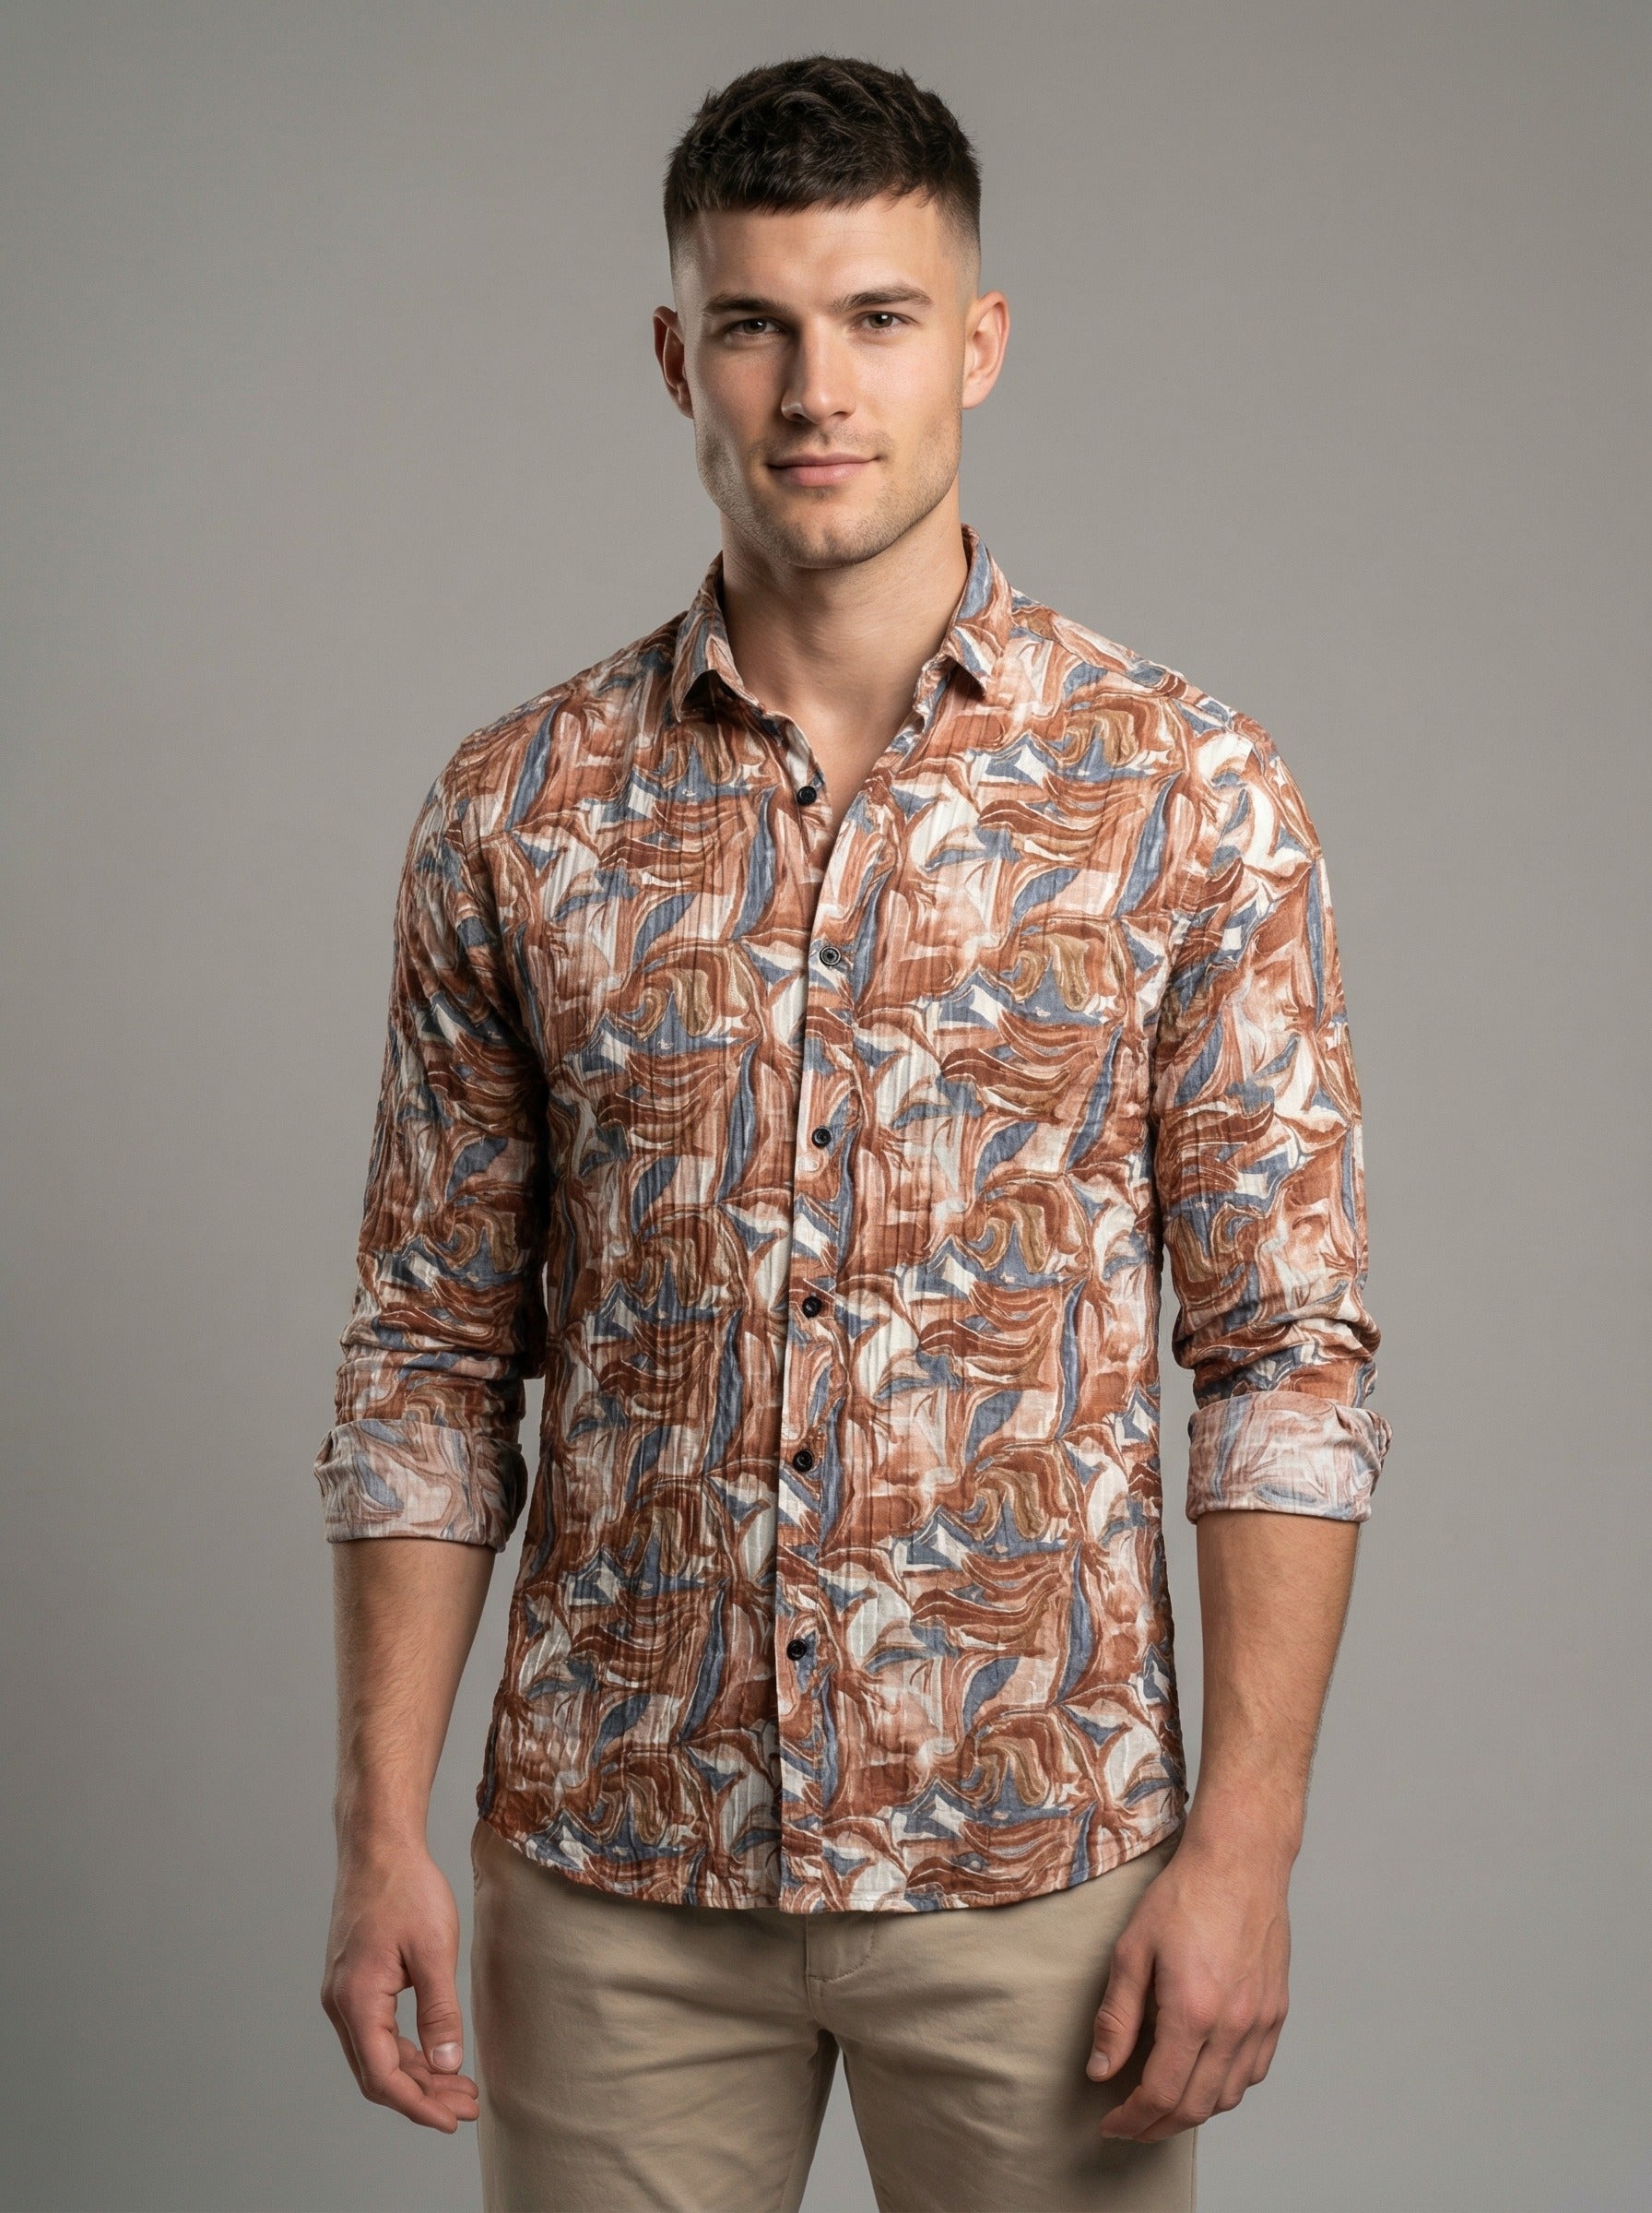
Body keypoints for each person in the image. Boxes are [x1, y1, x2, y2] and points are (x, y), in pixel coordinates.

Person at [313, 53, 1390, 2213]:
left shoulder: (1181, 794)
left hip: (1040, 1873)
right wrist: (373, 1834)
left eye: (877, 318)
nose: (817, 390)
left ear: (974, 343)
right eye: (756, 324)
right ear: (675, 356)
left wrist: (1247, 1845)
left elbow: (1282, 1360)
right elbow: (426, 1358)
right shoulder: (516, 812)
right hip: (614, 1872)